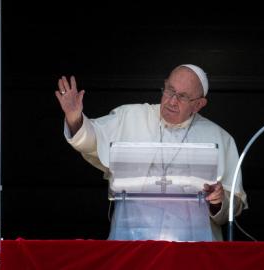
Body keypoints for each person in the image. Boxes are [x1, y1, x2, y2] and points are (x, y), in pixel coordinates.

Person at [55, 64, 247, 241]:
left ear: (198, 104)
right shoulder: (130, 116)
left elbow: (234, 205)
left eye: (182, 96)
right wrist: (74, 118)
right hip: (131, 241)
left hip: (192, 247)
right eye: (170, 90)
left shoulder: (220, 138)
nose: (172, 101)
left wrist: (218, 201)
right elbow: (92, 138)